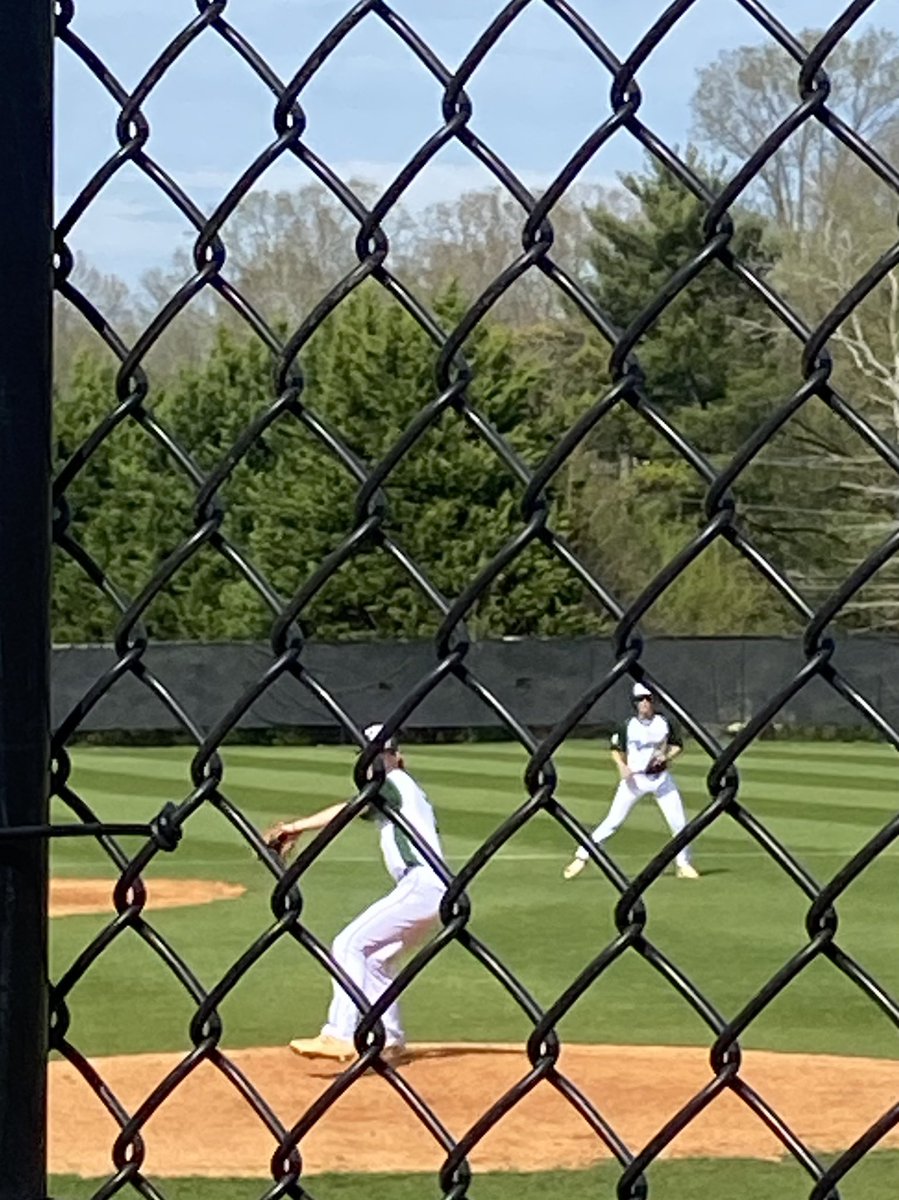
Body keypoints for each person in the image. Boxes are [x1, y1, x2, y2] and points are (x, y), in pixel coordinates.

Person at [265, 724, 446, 1066]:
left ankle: (341, 1033)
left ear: (389, 756)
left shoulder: (391, 782)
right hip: (430, 888)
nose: (368, 762)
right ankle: (391, 1040)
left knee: (349, 944)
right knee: (376, 960)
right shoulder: (399, 787)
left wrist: (294, 827)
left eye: (374, 754)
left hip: (421, 884)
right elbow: (354, 807)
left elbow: (346, 810)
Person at [563, 682, 700, 881]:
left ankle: (683, 864)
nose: (644, 703)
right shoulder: (627, 725)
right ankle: (581, 857)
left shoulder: (665, 723)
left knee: (679, 823)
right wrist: (622, 767)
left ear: (654, 701)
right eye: (640, 700)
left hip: (661, 779)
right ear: (634, 703)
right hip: (634, 781)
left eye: (648, 699)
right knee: (612, 822)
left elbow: (677, 745)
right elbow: (616, 750)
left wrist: (667, 757)